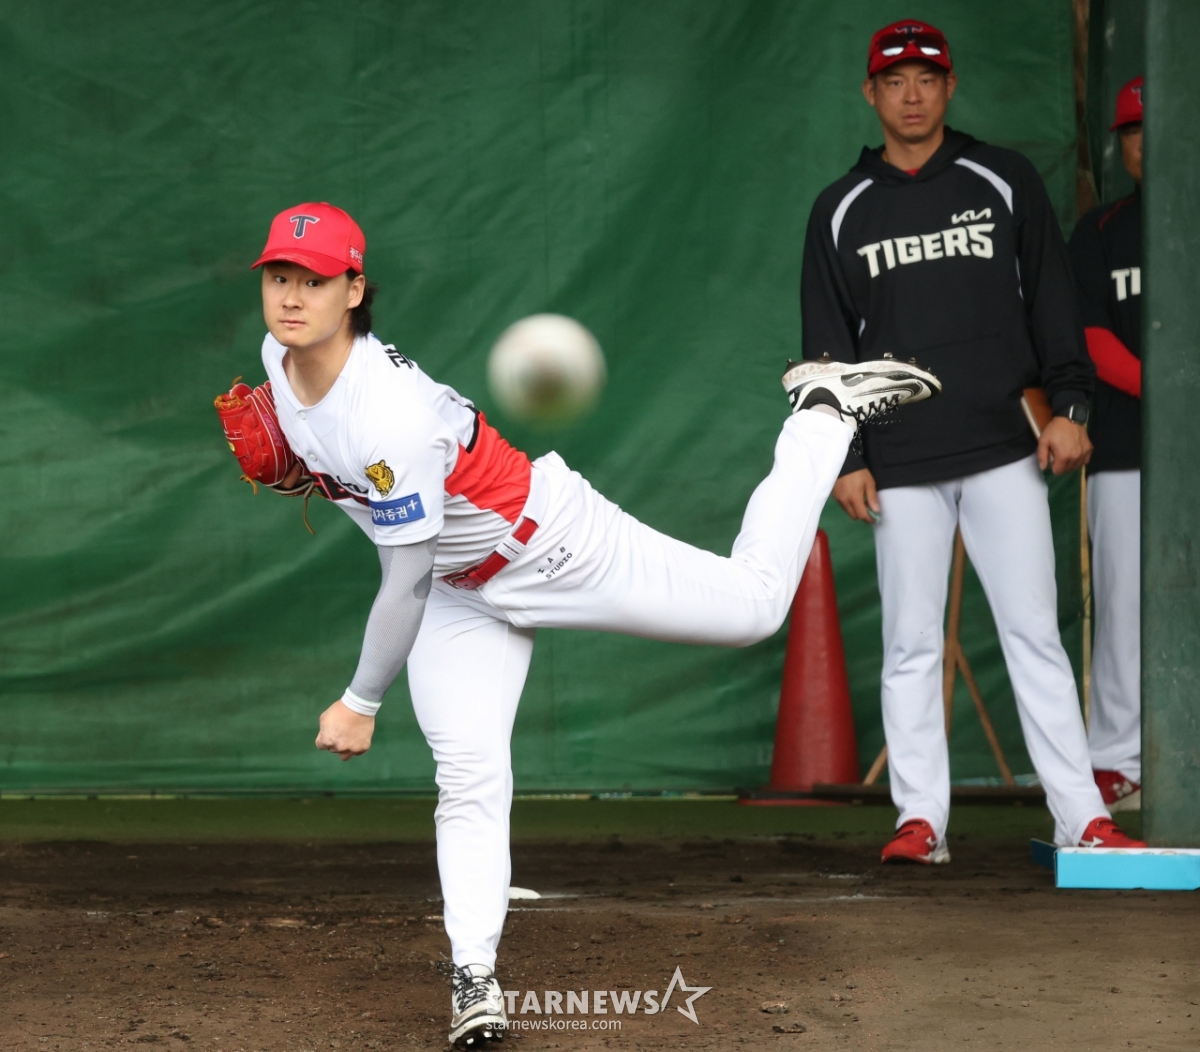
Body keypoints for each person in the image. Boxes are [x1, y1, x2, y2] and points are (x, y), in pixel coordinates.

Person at [234, 201, 940, 1046]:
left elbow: (405, 578)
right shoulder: (277, 359)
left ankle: (821, 412)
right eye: (280, 276)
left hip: (552, 545)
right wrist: (310, 468)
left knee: (755, 608)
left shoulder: (388, 414)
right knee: (468, 773)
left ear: (354, 290)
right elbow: (393, 533)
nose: (291, 296)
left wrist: (361, 700)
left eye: (314, 281)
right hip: (461, 591)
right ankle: (474, 978)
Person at [799, 19, 1145, 864]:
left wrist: (1072, 406)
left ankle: (1082, 818)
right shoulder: (841, 207)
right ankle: (921, 822)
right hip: (900, 458)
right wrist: (848, 457)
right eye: (895, 81)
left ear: (950, 86)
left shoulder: (1003, 178)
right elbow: (827, 348)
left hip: (1003, 448)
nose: (912, 95)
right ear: (870, 94)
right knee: (910, 644)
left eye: (927, 78)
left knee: (1034, 636)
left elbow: (1055, 303)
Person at [1067, 76, 1144, 812]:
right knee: (1124, 603)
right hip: (1128, 445)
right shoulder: (1100, 230)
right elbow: (1088, 336)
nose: (1144, 142)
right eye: (1131, 131)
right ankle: (1119, 759)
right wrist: (1173, 393)